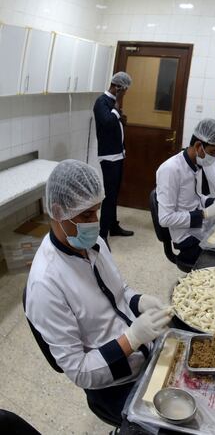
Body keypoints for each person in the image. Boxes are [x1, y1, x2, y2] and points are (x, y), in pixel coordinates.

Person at [25, 160, 172, 426]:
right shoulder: (46, 284)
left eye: (97, 211)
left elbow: (119, 292)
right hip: (114, 384)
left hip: (144, 355)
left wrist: (140, 303)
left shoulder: (94, 243)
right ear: (58, 212)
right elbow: (80, 371)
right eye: (85, 215)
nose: (95, 222)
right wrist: (132, 338)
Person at [155, 118, 215, 269]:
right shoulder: (170, 170)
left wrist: (212, 202)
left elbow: (194, 197)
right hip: (187, 238)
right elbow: (165, 219)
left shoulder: (195, 164)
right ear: (198, 146)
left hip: (200, 228)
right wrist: (203, 214)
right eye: (213, 152)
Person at [94, 72, 134, 240]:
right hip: (109, 156)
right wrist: (117, 104)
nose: (125, 94)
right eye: (124, 90)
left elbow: (113, 123)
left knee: (114, 193)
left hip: (117, 154)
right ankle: (102, 235)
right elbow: (107, 121)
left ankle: (113, 226)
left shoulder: (110, 102)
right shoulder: (102, 102)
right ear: (118, 87)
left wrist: (120, 119)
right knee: (109, 196)